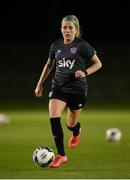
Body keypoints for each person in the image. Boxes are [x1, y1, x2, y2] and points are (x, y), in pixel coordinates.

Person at [35, 15, 102, 168]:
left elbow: (98, 64)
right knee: (54, 116)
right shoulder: (55, 46)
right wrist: (40, 84)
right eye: (64, 27)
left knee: (71, 124)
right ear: (61, 29)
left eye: (70, 28)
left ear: (76, 30)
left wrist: (85, 72)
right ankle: (61, 155)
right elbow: (49, 65)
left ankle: (76, 130)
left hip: (77, 89)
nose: (67, 30)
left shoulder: (82, 46)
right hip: (58, 87)